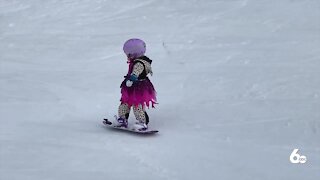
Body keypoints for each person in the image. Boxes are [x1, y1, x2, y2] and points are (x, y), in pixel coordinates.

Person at [115, 38, 157, 131]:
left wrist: (132, 79)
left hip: (139, 87)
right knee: (124, 103)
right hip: (130, 87)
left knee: (137, 106)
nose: (127, 56)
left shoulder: (139, 63)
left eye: (128, 54)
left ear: (133, 53)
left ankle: (142, 123)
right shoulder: (135, 61)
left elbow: (136, 73)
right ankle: (122, 119)